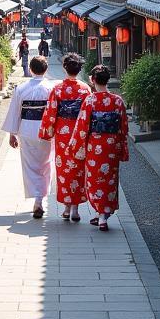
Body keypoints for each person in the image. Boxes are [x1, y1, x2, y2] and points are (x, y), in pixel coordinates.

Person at [71, 64, 128, 231]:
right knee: (109, 179)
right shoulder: (117, 101)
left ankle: (101, 214)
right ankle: (103, 215)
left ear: (93, 80)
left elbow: (82, 127)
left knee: (95, 179)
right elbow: (123, 127)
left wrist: (75, 148)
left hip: (95, 146)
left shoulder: (90, 101)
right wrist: (122, 148)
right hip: (111, 146)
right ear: (108, 80)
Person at [39, 52, 91, 222]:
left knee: (64, 170)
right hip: (80, 133)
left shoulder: (58, 89)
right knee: (78, 169)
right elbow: (90, 114)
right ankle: (75, 208)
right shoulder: (85, 89)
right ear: (79, 69)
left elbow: (51, 113)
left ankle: (67, 208)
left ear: (64, 68)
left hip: (63, 133)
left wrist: (46, 132)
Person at [1, 54, 54, 218]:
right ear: (46, 70)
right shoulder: (51, 89)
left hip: (27, 129)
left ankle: (37, 200)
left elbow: (15, 112)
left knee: (30, 166)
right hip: (46, 130)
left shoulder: (21, 89)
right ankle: (40, 199)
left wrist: (12, 133)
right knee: (46, 164)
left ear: (30, 70)